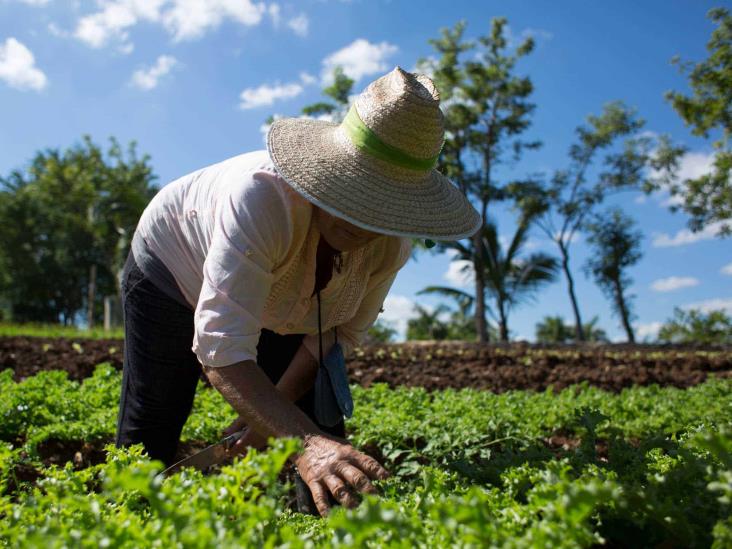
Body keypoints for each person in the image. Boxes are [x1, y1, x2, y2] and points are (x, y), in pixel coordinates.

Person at [115, 66, 481, 516]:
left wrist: (274, 424)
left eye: (381, 206)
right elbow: (222, 347)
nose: (363, 220)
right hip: (171, 268)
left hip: (281, 301)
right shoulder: (263, 199)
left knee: (321, 436)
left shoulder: (390, 248)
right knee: (156, 412)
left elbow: (334, 336)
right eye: (355, 192)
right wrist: (304, 443)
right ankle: (126, 520)